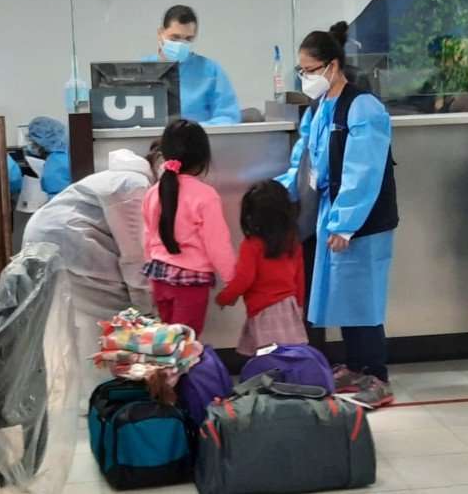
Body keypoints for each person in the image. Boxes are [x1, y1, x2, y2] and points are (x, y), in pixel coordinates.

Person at [277, 29, 398, 408]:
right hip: (330, 213)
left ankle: (377, 376)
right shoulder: (319, 109)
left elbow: (364, 170)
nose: (306, 77)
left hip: (363, 220)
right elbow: (306, 162)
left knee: (363, 298)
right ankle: (356, 365)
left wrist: (345, 223)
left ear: (332, 65)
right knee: (342, 295)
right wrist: (279, 192)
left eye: (310, 69)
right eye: (301, 70)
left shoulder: (363, 107)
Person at [22, 145, 161, 401]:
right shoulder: (133, 186)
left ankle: (91, 396)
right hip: (66, 243)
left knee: (92, 319)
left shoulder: (127, 179)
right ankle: (102, 397)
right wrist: (147, 311)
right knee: (109, 316)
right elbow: (134, 256)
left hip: (54, 238)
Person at [142, 119, 236, 336]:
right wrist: (232, 280)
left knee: (166, 342)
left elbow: (147, 237)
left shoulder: (153, 192)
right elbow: (218, 244)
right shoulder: (206, 196)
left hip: (159, 276)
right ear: (203, 157)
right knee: (185, 343)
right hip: (190, 283)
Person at [216, 180, 308, 355]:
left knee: (268, 358)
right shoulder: (292, 242)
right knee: (290, 356)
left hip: (263, 310)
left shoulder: (252, 246)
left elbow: (244, 279)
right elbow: (299, 278)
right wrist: (299, 306)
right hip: (289, 308)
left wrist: (225, 297)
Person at [145, 5, 241, 126]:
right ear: (160, 33)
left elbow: (228, 117)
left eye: (188, 39)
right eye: (175, 38)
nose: (181, 44)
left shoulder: (210, 71)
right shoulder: (143, 71)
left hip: (197, 136)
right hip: (154, 137)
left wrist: (191, 130)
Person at [26, 116, 72, 198]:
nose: (32, 145)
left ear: (41, 141)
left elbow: (58, 199)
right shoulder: (65, 155)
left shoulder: (55, 163)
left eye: (33, 141)